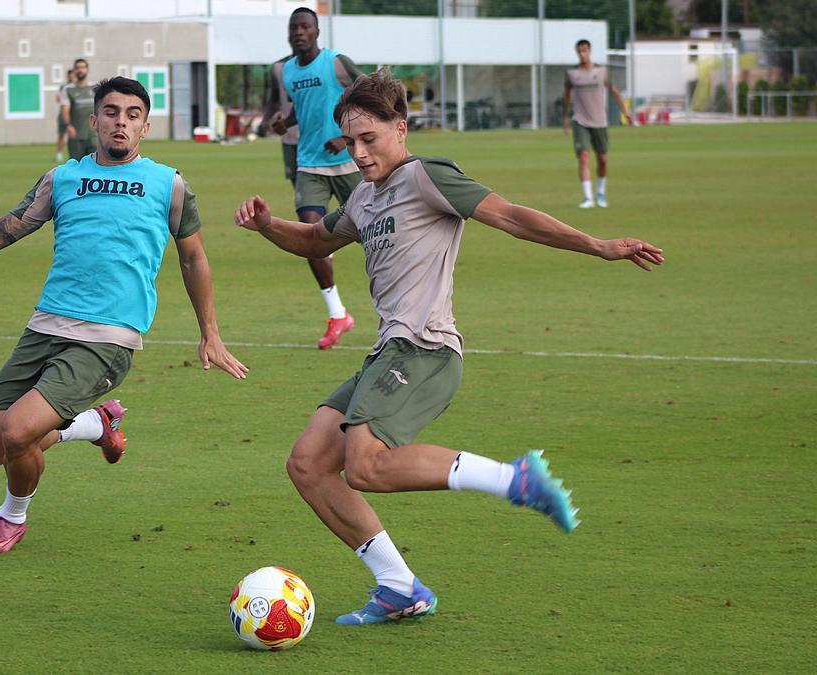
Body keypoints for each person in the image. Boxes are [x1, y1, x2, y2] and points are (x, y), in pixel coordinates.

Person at [235, 70, 663, 625]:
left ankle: (516, 480)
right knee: (308, 464)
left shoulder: (425, 177)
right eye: (350, 142)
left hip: (425, 349)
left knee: (365, 467)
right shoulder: (365, 197)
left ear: (400, 129)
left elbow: (511, 216)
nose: (359, 154)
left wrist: (598, 244)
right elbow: (316, 240)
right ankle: (398, 586)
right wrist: (267, 225)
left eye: (370, 139)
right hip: (388, 352)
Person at [0, 77, 248, 556]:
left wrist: (210, 334)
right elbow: (0, 232)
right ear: (93, 121)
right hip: (46, 326)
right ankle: (96, 424)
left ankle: (10, 518)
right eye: (112, 112)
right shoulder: (62, 179)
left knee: (17, 431)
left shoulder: (169, 185)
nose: (122, 121)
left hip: (108, 338)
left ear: (145, 127)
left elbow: (193, 258)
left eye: (133, 114)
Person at [273, 7, 365, 350]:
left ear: (316, 31)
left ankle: (398, 309)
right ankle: (338, 314)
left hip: (350, 163)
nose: (298, 32)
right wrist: (287, 122)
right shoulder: (289, 72)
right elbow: (303, 104)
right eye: (293, 27)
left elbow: (368, 96)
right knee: (310, 237)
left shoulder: (337, 63)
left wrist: (347, 137)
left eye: (305, 26)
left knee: (375, 235)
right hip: (310, 164)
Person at [563, 39, 633, 209]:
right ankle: (588, 197)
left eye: (585, 50)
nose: (582, 53)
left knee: (602, 159)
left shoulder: (602, 71)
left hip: (600, 121)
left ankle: (600, 193)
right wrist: (565, 117)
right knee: (584, 157)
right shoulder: (572, 74)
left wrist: (625, 111)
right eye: (579, 51)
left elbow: (614, 91)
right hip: (580, 120)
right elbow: (567, 96)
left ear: (590, 51)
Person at [258, 52, 300, 187]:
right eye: (294, 29)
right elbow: (274, 99)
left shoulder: (326, 64)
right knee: (300, 189)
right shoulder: (279, 67)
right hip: (290, 137)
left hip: (319, 137)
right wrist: (265, 121)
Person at [61, 58, 98, 161]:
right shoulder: (68, 89)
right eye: (77, 68)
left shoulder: (95, 88)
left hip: (93, 135)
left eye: (83, 67)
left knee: (95, 164)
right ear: (74, 70)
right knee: (76, 166)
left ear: (87, 69)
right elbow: (65, 110)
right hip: (76, 136)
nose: (80, 70)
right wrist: (68, 126)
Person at [54, 79, 70, 163]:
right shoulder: (63, 87)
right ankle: (59, 154)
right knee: (61, 135)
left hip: (74, 116)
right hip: (63, 114)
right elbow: (57, 99)